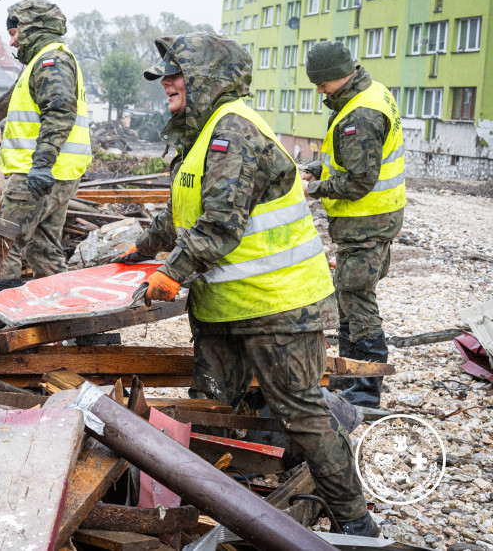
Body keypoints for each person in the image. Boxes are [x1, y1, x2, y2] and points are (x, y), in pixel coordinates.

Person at [116, 33, 377, 537]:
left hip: (277, 307)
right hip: (223, 310)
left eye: (176, 73)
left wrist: (169, 273)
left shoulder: (232, 131)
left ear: (208, 79)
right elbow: (183, 211)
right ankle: (217, 508)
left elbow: (219, 225)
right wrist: (143, 248)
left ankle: (357, 527)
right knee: (210, 408)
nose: (166, 82)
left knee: (302, 414)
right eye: (164, 75)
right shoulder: (203, 133)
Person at [301, 41, 405, 409]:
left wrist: (315, 188)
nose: (319, 90)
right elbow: (348, 161)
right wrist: (317, 167)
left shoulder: (359, 115)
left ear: (336, 75)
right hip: (373, 222)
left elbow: (359, 181)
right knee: (349, 298)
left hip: (367, 224)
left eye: (321, 83)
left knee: (357, 302)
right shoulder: (365, 95)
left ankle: (365, 389)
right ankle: (350, 380)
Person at [0, 0, 91, 291]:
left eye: (15, 33)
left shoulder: (50, 61)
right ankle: (57, 319)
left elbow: (58, 111)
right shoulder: (51, 60)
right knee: (45, 250)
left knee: (1, 247)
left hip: (38, 175)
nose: (12, 42)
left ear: (33, 28)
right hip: (58, 174)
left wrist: (41, 164)